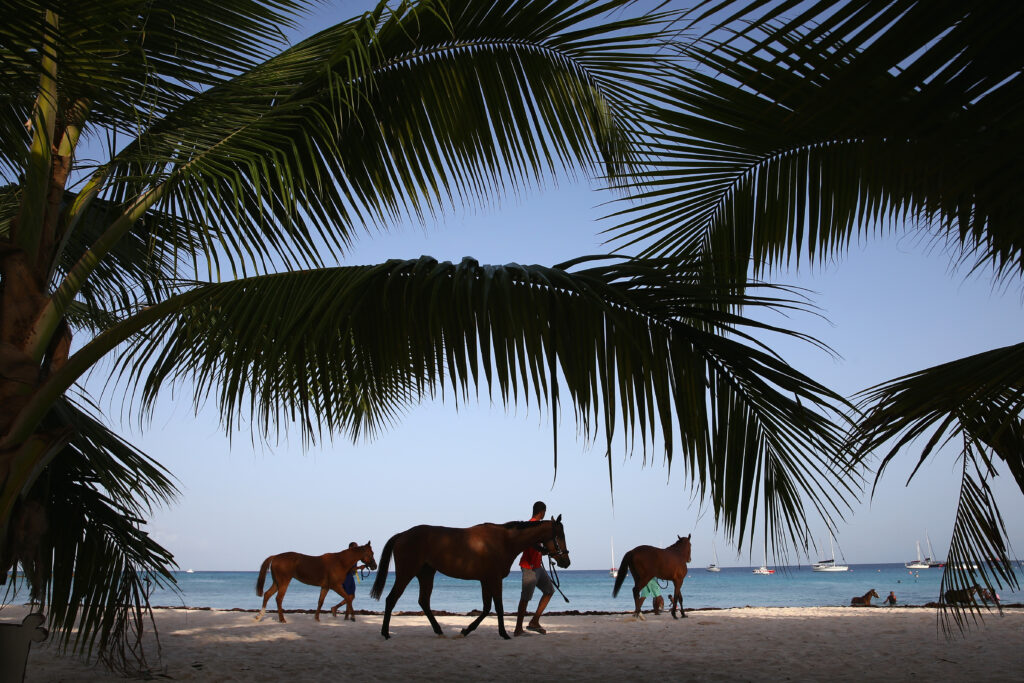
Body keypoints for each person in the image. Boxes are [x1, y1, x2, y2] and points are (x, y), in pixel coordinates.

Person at [514, 501, 555, 636]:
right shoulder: (531, 525)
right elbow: (529, 543)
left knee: (549, 591)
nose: (545, 514)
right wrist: (540, 549)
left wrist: (544, 550)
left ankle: (534, 621)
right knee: (525, 598)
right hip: (529, 567)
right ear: (541, 512)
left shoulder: (539, 526)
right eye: (545, 511)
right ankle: (518, 629)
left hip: (538, 566)